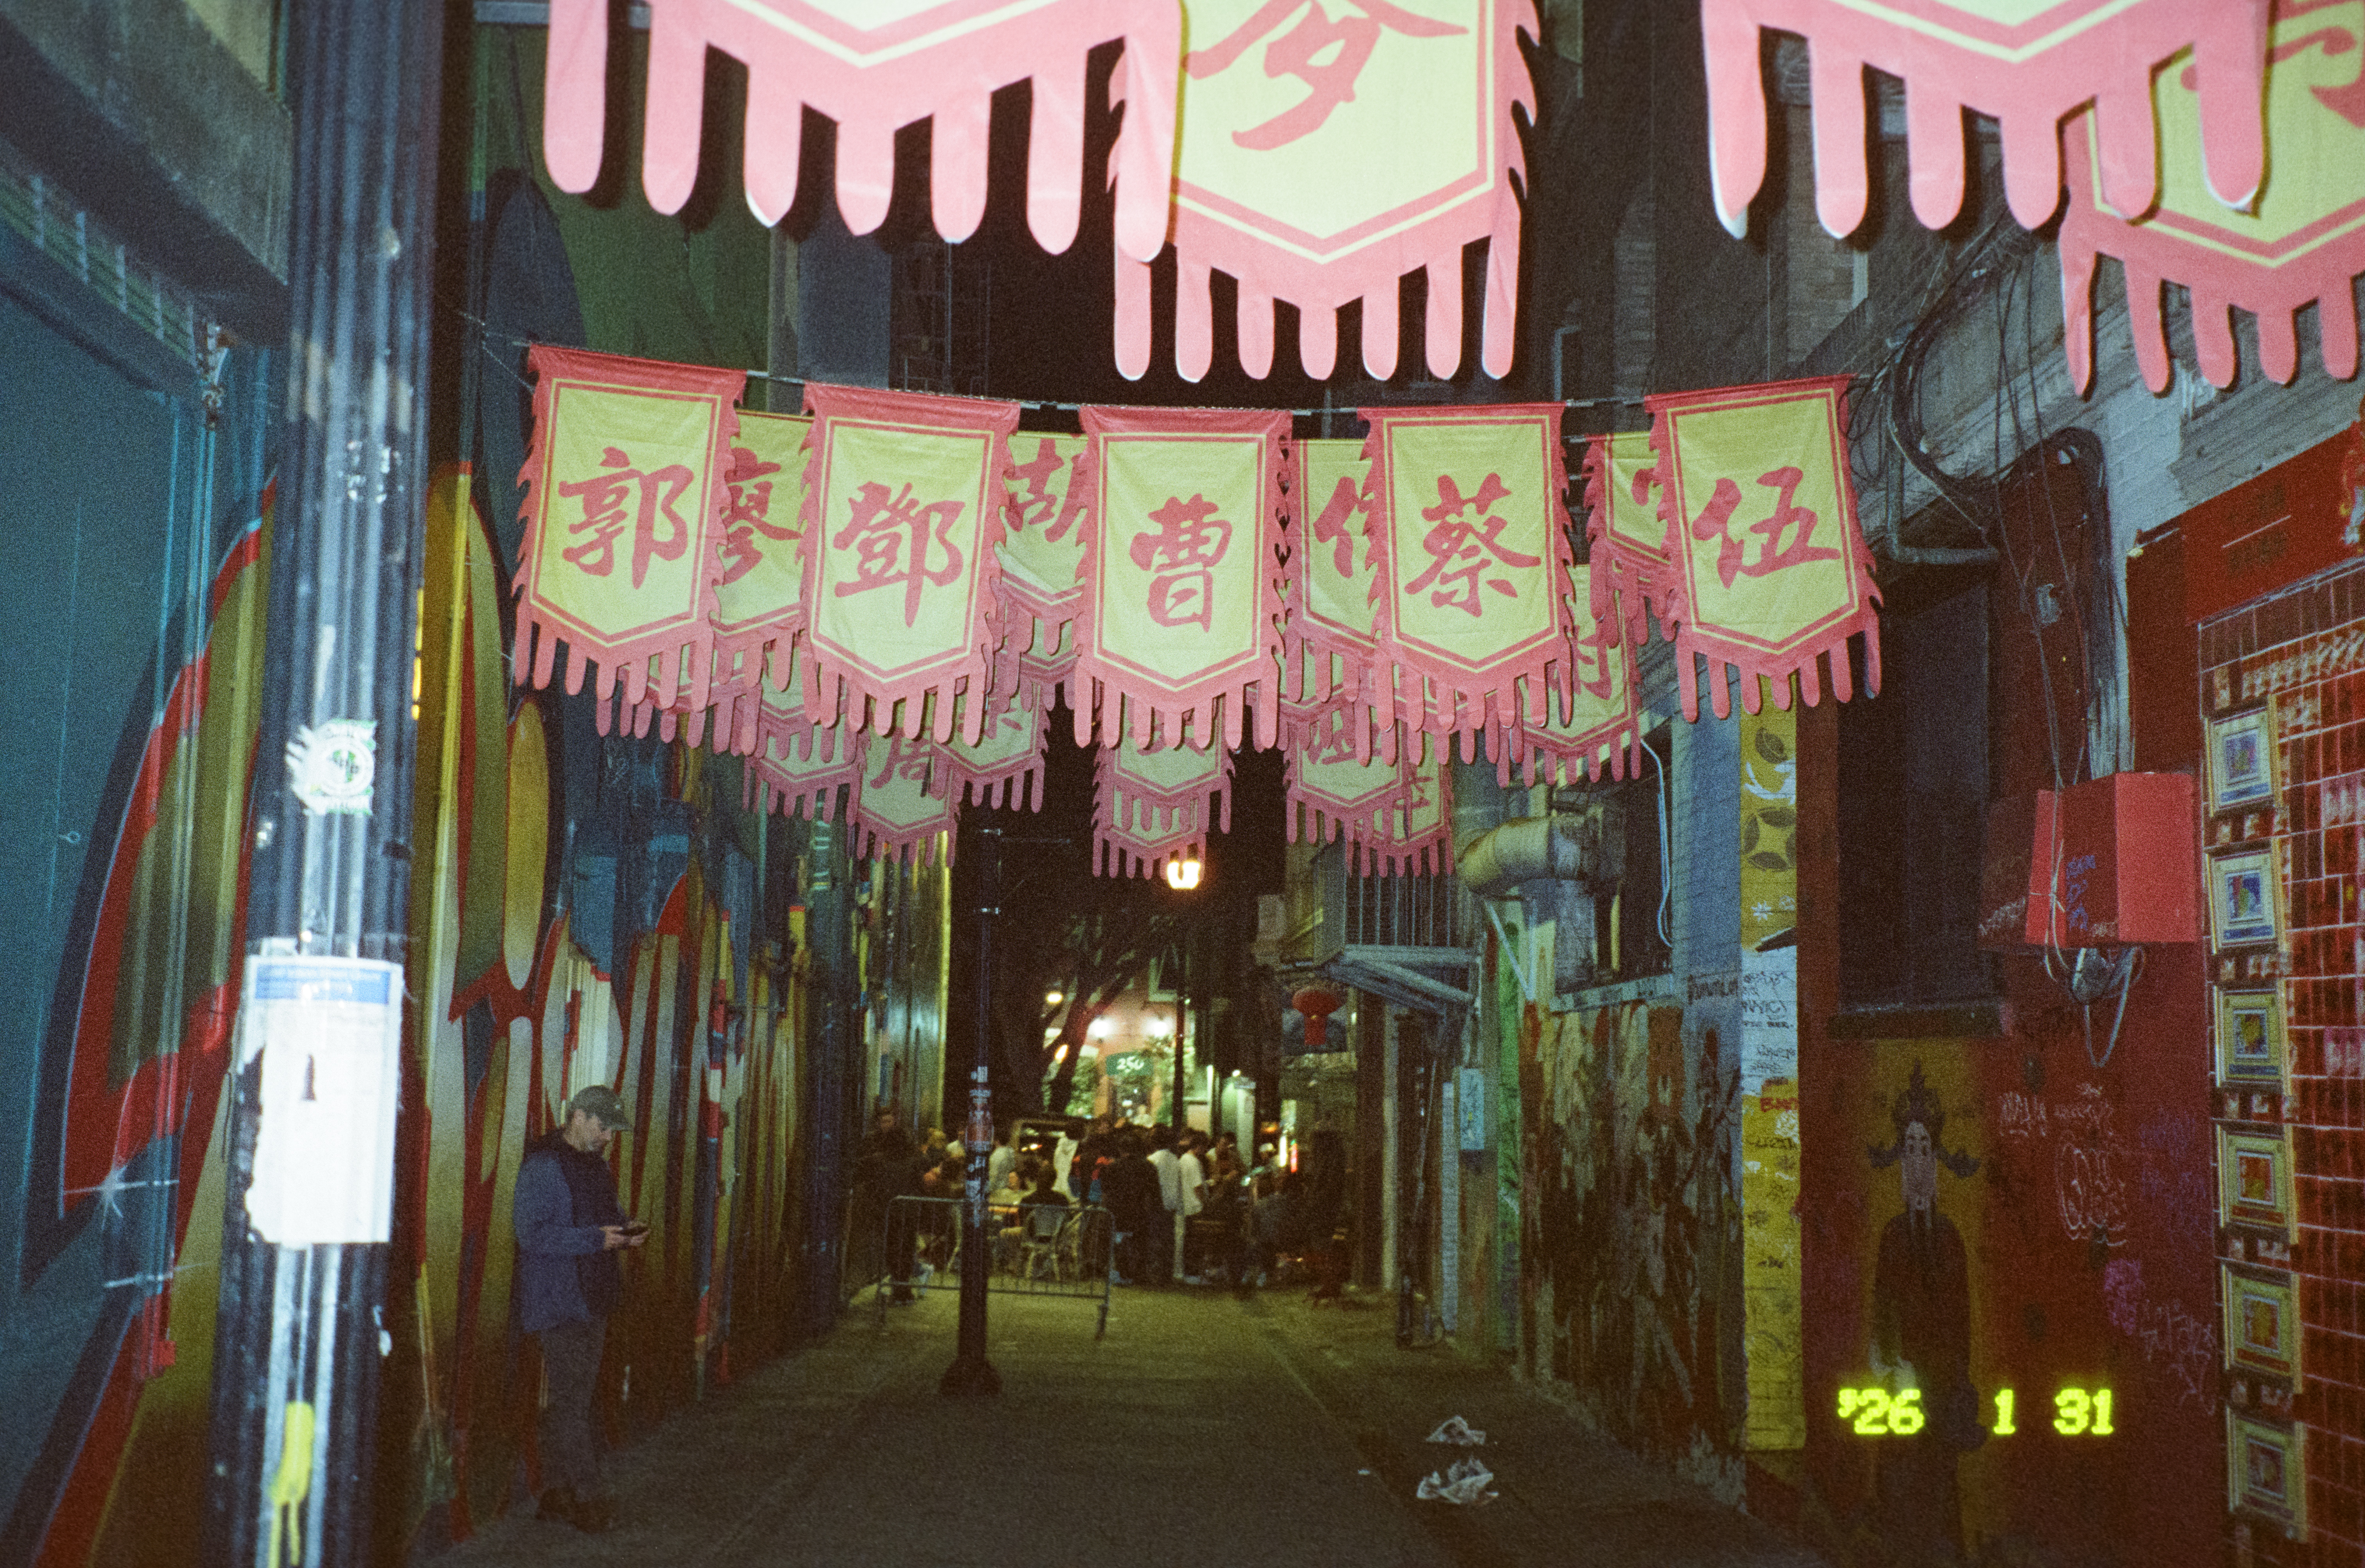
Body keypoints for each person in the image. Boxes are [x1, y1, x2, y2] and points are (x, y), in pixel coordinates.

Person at [514, 1084, 646, 1533]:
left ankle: (555, 1493)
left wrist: (626, 1228)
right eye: (603, 1126)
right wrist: (597, 1239)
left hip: (593, 1297)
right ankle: (589, 1498)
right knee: (573, 1405)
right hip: (560, 1301)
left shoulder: (594, 1165)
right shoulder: (544, 1166)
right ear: (578, 1117)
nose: (609, 1136)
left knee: (573, 1401)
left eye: (612, 1129)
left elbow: (607, 1211)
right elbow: (532, 1235)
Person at [1145, 1128, 1182, 1286]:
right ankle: (1167, 1275)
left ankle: (1155, 1274)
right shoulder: (1175, 1160)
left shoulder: (1152, 1160)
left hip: (1156, 1206)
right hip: (1171, 1206)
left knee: (1154, 1241)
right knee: (1168, 1242)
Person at [1175, 1131, 1209, 1282]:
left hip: (1186, 1206)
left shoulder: (1183, 1159)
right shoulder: (1194, 1162)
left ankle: (1189, 1274)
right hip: (1196, 1207)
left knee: (1188, 1242)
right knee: (1196, 1243)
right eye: (1204, 1147)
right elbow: (1198, 1188)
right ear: (1199, 1147)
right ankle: (1194, 1275)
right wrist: (1206, 1203)